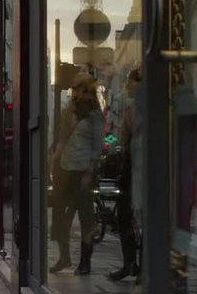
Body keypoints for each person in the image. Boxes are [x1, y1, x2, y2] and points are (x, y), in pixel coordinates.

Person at [49, 72, 104, 276]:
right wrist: (54, 158)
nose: (75, 93)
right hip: (65, 169)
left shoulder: (95, 115)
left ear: (86, 90)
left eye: (78, 89)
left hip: (83, 171)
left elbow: (97, 146)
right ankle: (64, 257)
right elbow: (62, 140)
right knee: (59, 218)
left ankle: (85, 262)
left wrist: (90, 171)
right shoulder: (67, 111)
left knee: (86, 218)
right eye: (74, 89)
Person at [109, 69, 141, 281]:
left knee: (136, 219)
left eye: (130, 83)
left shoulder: (140, 109)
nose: (126, 87)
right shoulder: (132, 109)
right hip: (132, 170)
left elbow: (129, 144)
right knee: (125, 218)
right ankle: (131, 264)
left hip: (138, 171)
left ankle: (136, 266)